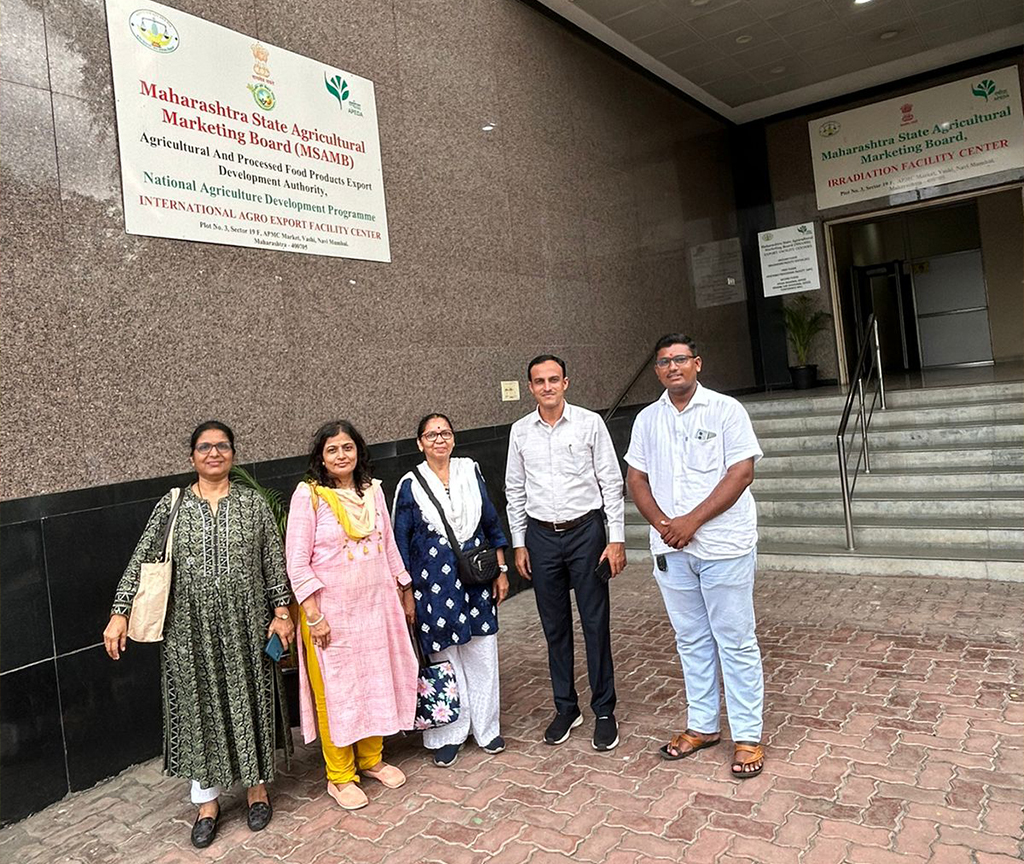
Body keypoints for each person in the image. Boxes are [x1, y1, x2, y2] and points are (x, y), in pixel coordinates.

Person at [103, 421, 294, 849]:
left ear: (233, 454)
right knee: (196, 709)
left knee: (250, 702)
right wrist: (119, 613)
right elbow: (142, 560)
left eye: (222, 446)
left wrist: (282, 613)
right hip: (187, 632)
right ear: (192, 456)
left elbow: (272, 561)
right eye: (205, 447)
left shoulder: (252, 504)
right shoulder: (172, 505)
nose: (214, 453)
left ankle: (257, 790)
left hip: (247, 626)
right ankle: (206, 804)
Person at [624, 333, 766, 778]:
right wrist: (664, 524)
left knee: (736, 640)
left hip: (723, 546)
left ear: (697, 363)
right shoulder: (647, 419)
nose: (673, 367)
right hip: (672, 550)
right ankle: (703, 725)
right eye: (664, 361)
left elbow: (741, 473)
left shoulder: (726, 410)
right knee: (691, 639)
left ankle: (747, 736)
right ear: (657, 370)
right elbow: (636, 479)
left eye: (681, 359)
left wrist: (691, 522)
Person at [284, 420, 418, 811]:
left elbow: (389, 547)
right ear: (321, 457)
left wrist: (404, 590)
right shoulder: (309, 496)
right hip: (330, 616)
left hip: (376, 609)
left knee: (376, 681)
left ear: (358, 451)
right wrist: (313, 615)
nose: (341, 455)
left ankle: (371, 759)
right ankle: (340, 776)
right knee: (337, 693)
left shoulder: (372, 491)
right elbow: (297, 562)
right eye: (332, 449)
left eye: (347, 447)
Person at [505, 354, 626, 751]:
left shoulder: (590, 423)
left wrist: (615, 538)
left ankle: (604, 710)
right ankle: (566, 708)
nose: (547, 387)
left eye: (553, 379)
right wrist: (519, 542)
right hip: (541, 537)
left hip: (586, 534)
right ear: (530, 387)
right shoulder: (520, 431)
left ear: (566, 383)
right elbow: (514, 489)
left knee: (595, 623)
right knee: (554, 627)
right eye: (539, 381)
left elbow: (611, 482)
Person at [392, 413, 511, 767]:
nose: (439, 440)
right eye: (431, 435)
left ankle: (486, 729)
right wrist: (406, 592)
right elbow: (400, 542)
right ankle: (449, 734)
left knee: (482, 652)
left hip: (476, 578)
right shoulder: (410, 484)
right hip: (432, 586)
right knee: (444, 658)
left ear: (454, 439)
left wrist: (501, 570)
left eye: (444, 433)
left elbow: (491, 521)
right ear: (420, 443)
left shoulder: (470, 471)